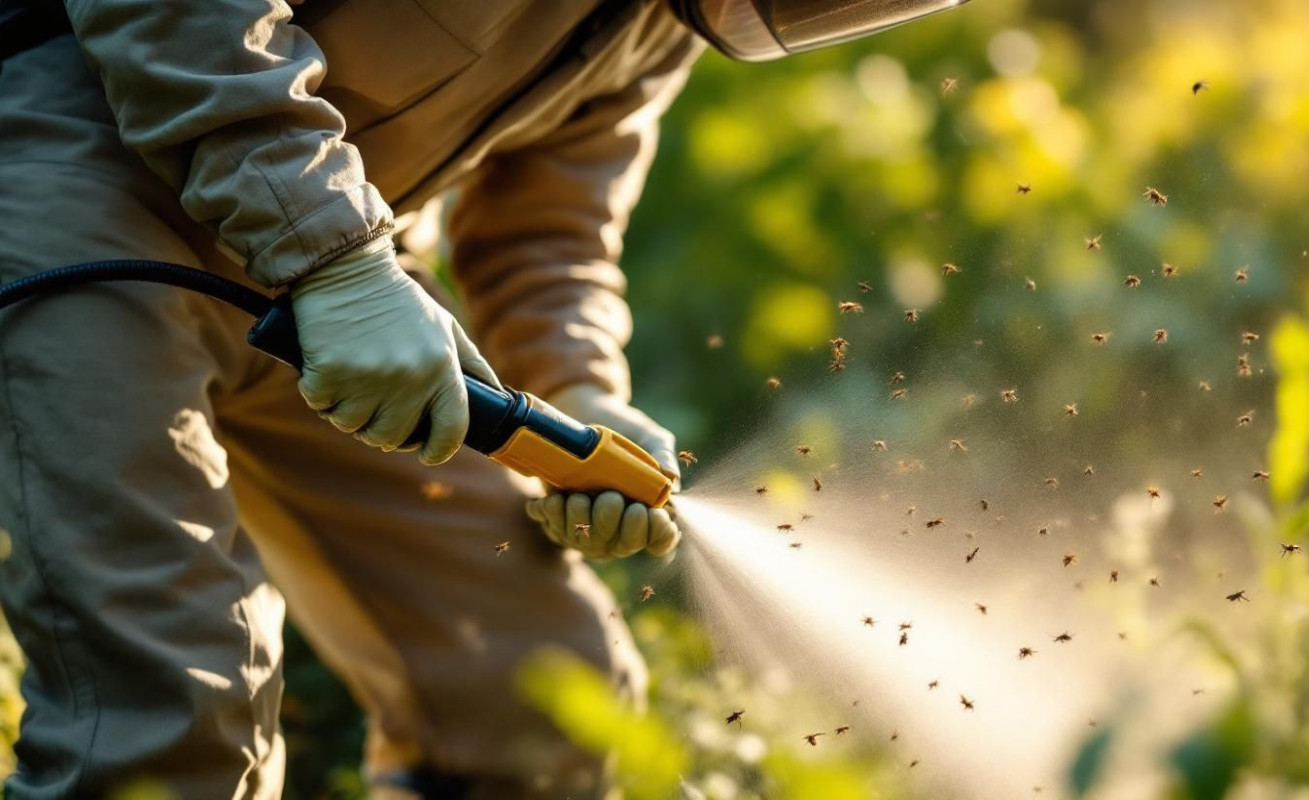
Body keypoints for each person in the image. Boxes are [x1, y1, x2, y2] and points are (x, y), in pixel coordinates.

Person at [0, 0, 968, 796]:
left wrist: (583, 388)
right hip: (75, 175)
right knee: (166, 718)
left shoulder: (660, 23)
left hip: (322, 279)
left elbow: (547, 228)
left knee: (536, 700)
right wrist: (333, 259)